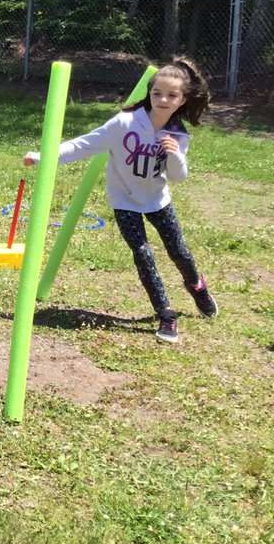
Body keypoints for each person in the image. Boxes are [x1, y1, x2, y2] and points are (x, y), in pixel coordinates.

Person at [23, 58, 217, 344]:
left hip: (157, 201)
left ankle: (196, 285)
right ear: (149, 93)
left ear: (182, 99)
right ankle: (165, 314)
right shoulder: (125, 123)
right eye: (157, 93)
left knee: (179, 252)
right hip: (124, 201)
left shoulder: (178, 134)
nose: (163, 99)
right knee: (143, 254)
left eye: (172, 95)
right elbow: (84, 144)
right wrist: (43, 156)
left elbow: (178, 177)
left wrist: (175, 154)